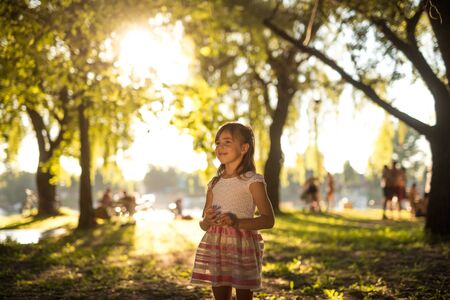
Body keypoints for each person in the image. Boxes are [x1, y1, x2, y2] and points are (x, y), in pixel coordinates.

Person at [191, 122, 275, 300]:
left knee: (244, 296)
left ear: (244, 148)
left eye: (227, 142)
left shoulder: (252, 181)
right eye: (217, 142)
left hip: (241, 246)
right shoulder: (214, 184)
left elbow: (268, 220)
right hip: (217, 246)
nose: (220, 146)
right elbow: (203, 224)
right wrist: (208, 220)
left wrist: (237, 222)